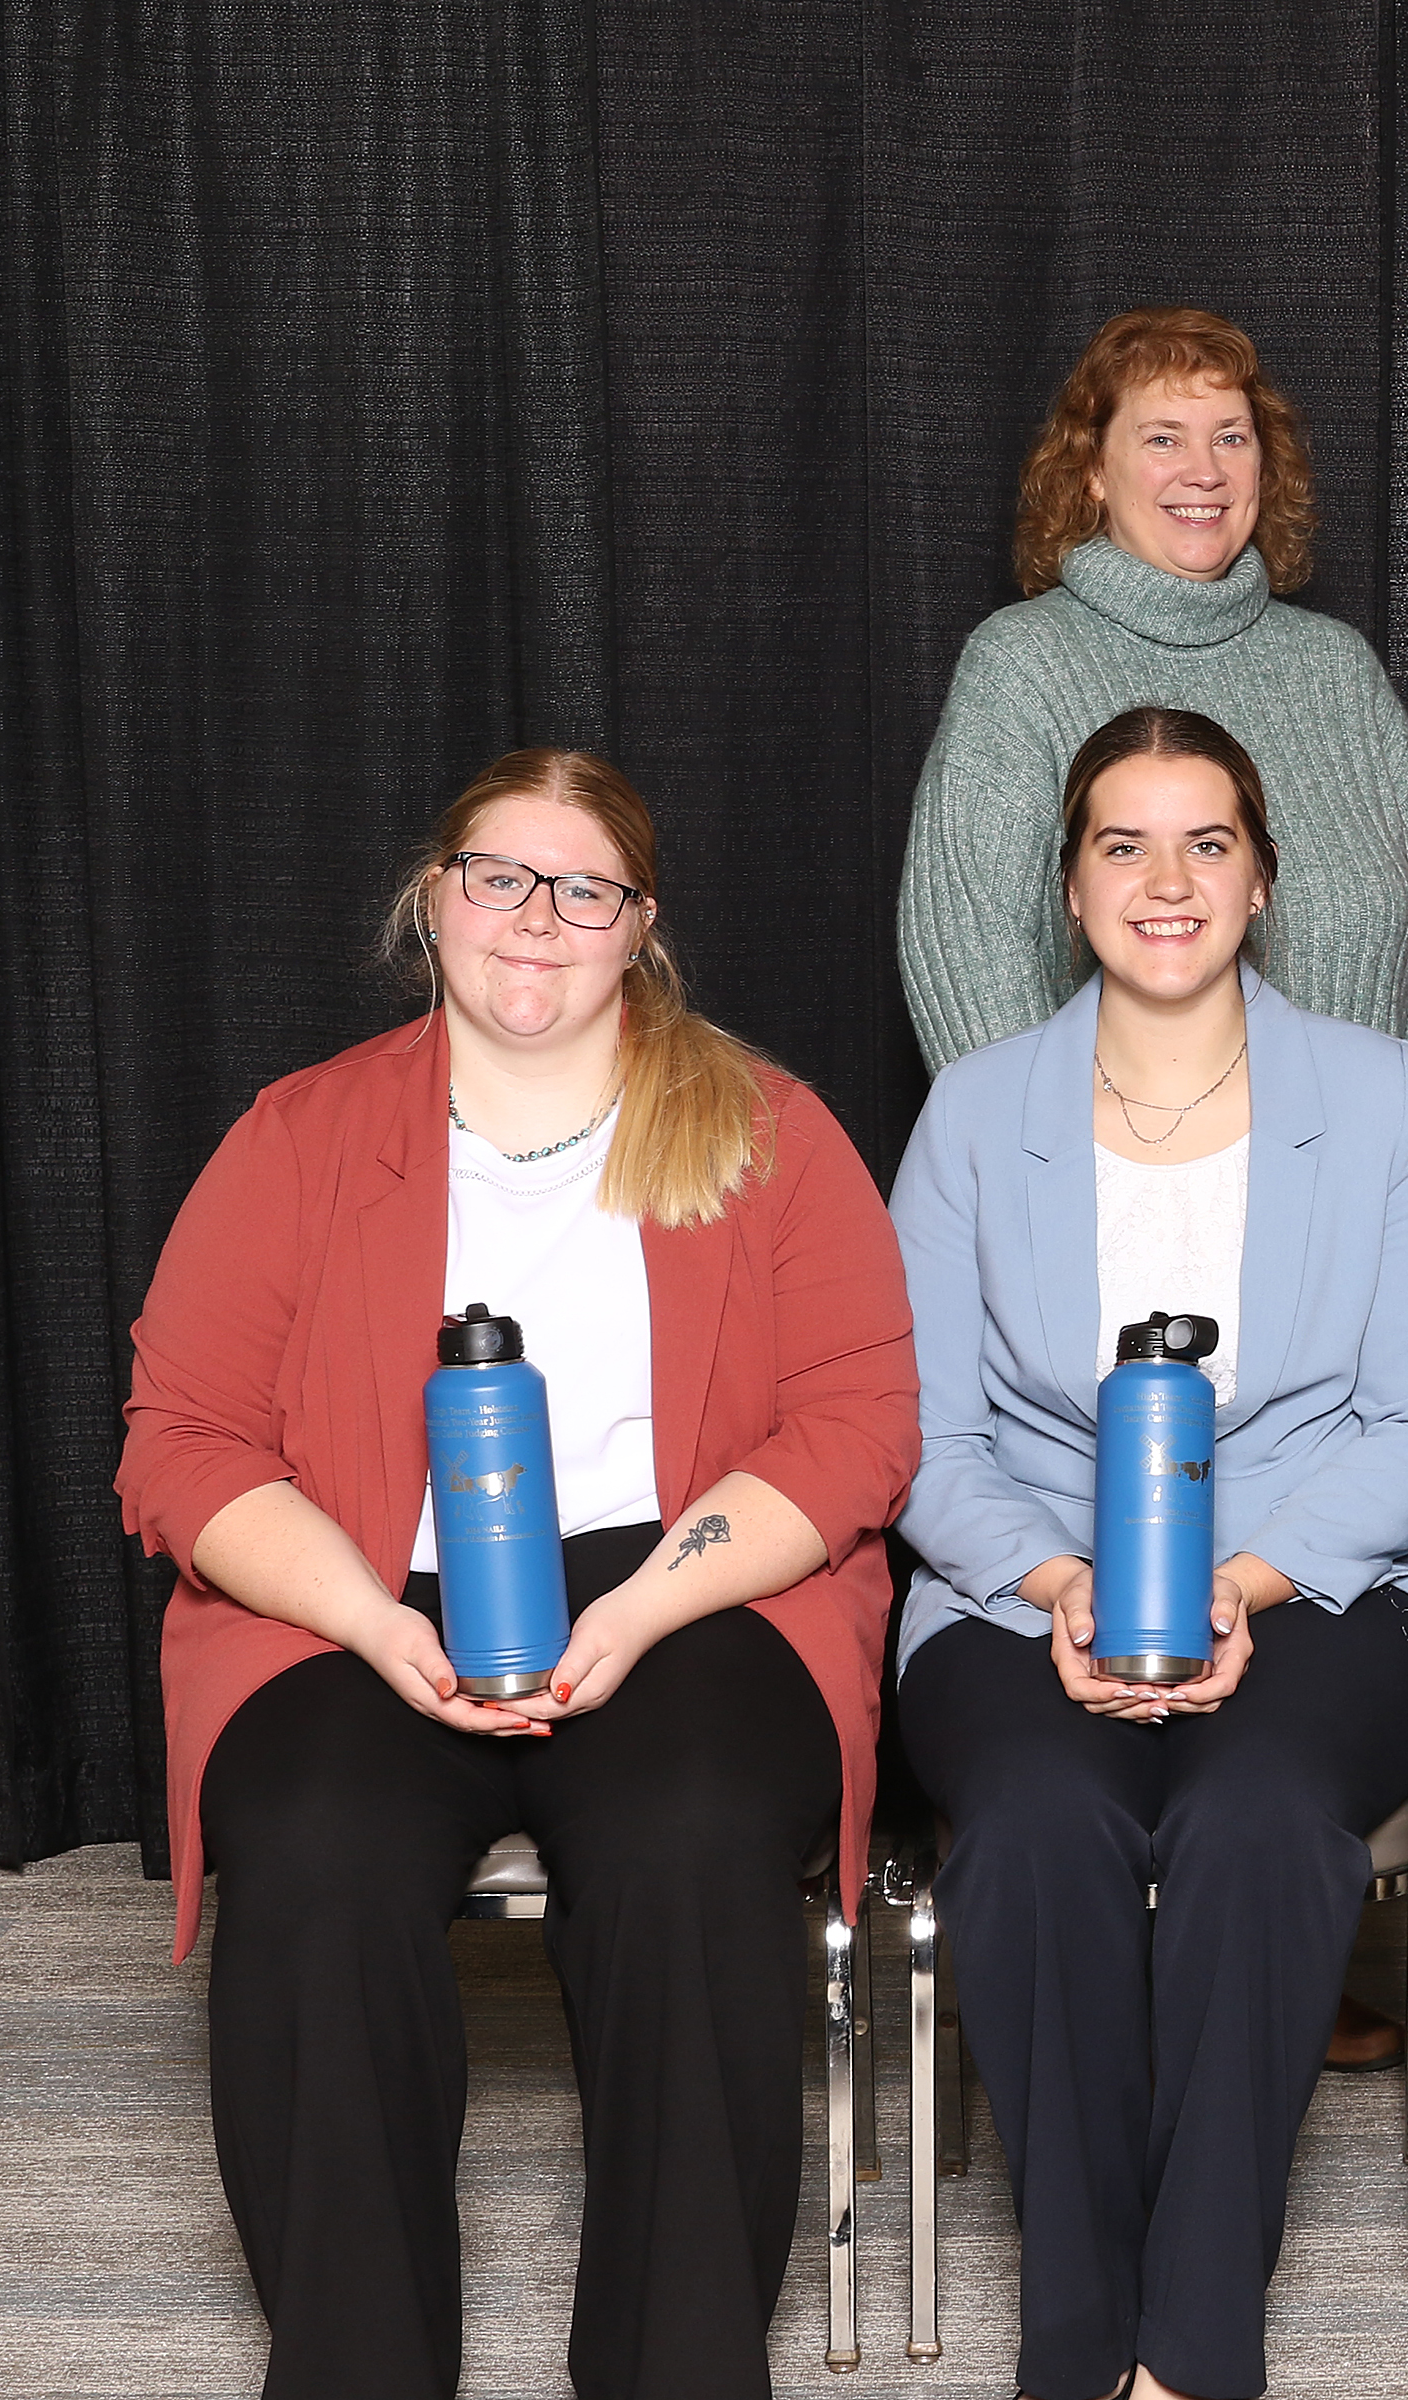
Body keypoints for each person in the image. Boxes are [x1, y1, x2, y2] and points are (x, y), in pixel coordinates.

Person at [118, 748, 920, 2400]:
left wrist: (639, 1607)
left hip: (688, 1582)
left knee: (691, 1840)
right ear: (434, 901)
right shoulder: (301, 1136)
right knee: (320, 1849)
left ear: (641, 928)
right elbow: (181, 1437)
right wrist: (357, 1616)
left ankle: (675, 2370)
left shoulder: (766, 1129)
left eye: (584, 891)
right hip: (365, 1579)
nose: (536, 922)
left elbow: (858, 1425)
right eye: (499, 878)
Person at [890, 705, 1408, 2400]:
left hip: (1323, 1575)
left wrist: (1241, 1584)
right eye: (1124, 845)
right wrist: (1059, 1582)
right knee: (1038, 1822)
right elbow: (917, 1432)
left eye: (1207, 842)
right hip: (1025, 1578)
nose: (1167, 881)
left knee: (1251, 1820)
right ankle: (1079, 2349)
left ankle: (1196, 2347)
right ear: (1069, 887)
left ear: (1264, 878)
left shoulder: (1369, 1100)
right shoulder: (974, 1110)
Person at [903, 304, 1408, 1134]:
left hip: (1359, 1187)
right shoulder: (1024, 663)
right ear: (1094, 470)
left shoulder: (1338, 668)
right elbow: (964, 947)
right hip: (1123, 1188)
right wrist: (1048, 1178)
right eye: (1163, 437)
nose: (1203, 471)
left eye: (1231, 437)